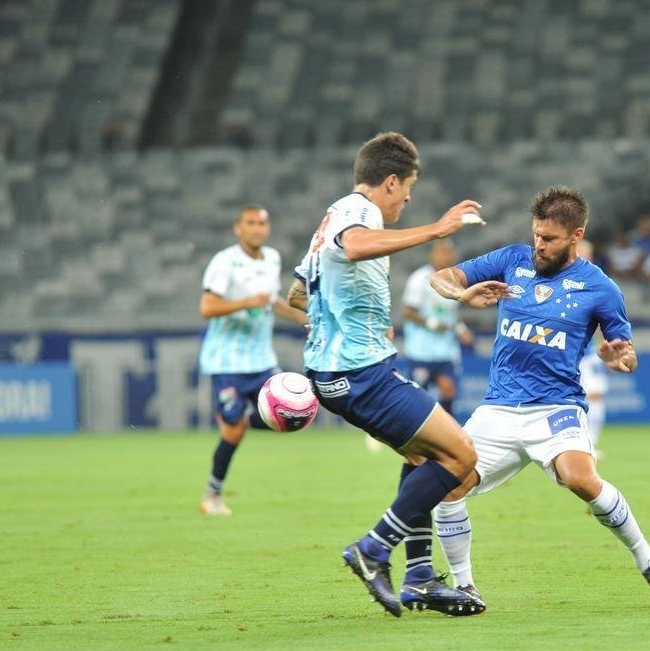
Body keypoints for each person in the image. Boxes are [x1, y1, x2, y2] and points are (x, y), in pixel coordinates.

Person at [427, 186, 650, 610]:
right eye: (536, 235)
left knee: (581, 478)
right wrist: (462, 294)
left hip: (556, 407)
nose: (539, 245)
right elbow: (444, 278)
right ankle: (465, 586)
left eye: (549, 239)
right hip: (499, 409)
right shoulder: (511, 260)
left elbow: (627, 351)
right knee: (445, 484)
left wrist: (622, 357)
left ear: (576, 235)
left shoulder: (600, 288)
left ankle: (649, 560)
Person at [286, 131, 486, 618]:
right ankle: (374, 548)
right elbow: (354, 248)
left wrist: (330, 325)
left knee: (424, 458)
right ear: (391, 181)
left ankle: (419, 577)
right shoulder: (358, 213)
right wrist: (437, 230)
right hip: (360, 372)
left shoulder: (329, 217)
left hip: (340, 370)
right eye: (409, 188)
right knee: (462, 457)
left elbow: (296, 294)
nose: (410, 198)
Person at [197, 204, 308, 517]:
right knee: (232, 433)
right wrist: (246, 302)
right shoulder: (225, 262)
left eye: (262, 223)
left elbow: (271, 301)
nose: (258, 228)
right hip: (226, 362)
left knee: (291, 416)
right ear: (238, 228)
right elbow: (207, 307)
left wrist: (301, 317)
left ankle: (241, 418)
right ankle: (212, 495)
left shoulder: (271, 258)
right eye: (251, 223)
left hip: (261, 360)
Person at [400, 240, 474, 415]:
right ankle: (412, 431)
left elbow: (453, 313)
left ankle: (444, 432)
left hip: (446, 351)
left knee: (449, 390)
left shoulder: (456, 279)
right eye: (441, 252)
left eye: (448, 252)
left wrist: (462, 330)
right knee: (418, 396)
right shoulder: (420, 279)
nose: (445, 256)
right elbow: (408, 312)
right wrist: (432, 323)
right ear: (432, 255)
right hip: (421, 350)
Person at [575, 240, 607, 455]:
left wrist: (608, 342)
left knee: (596, 394)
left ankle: (591, 444)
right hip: (567, 354)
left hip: (588, 353)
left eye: (589, 254)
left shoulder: (596, 282)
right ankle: (578, 444)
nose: (587, 258)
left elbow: (605, 316)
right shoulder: (564, 282)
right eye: (583, 253)